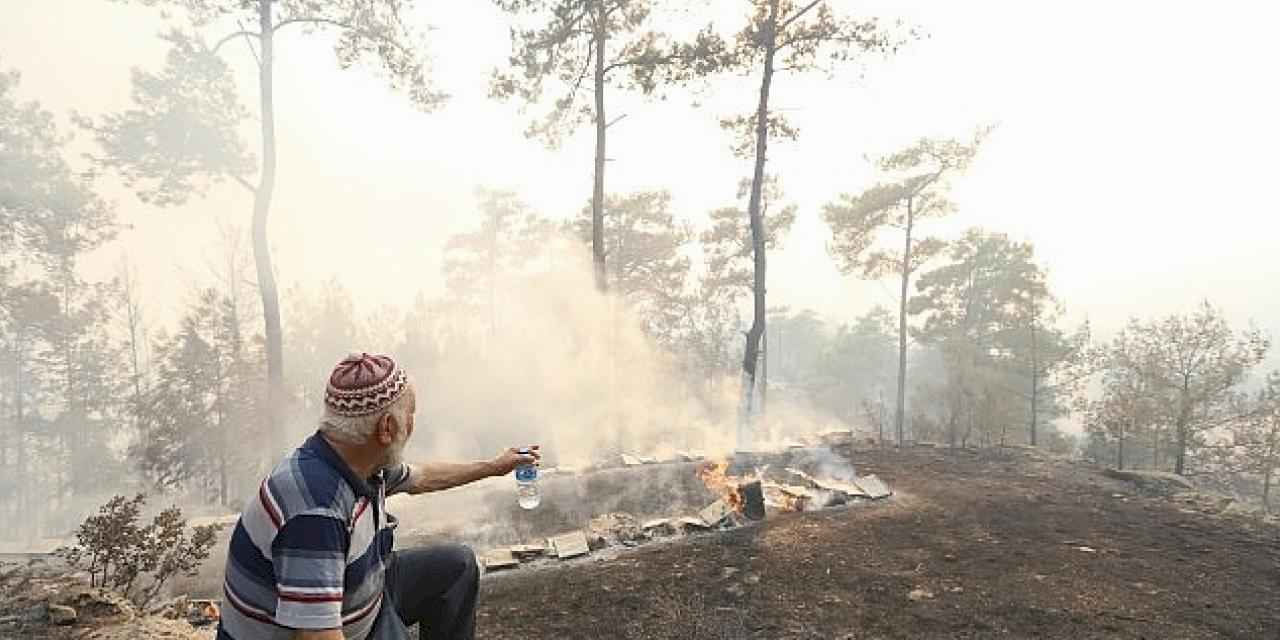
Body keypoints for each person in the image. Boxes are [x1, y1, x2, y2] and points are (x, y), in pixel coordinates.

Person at [216, 352, 538, 640]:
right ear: (386, 428)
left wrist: (494, 467)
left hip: (367, 599)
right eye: (410, 414)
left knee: (457, 566)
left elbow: (424, 477)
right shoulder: (316, 510)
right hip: (333, 627)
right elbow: (316, 637)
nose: (413, 424)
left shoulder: (359, 462)